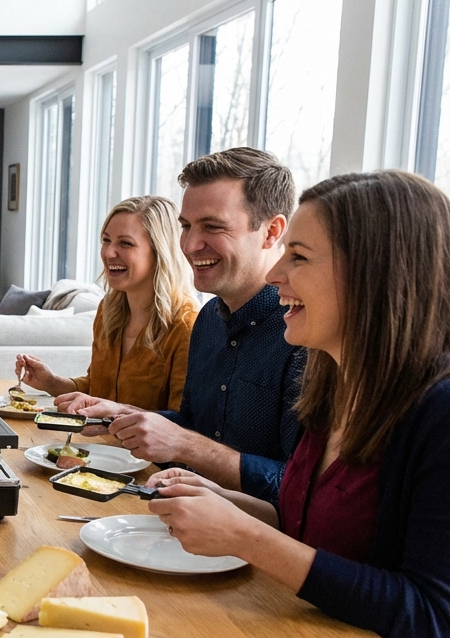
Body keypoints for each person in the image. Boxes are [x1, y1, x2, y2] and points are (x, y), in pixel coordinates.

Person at [148, 170, 450, 638]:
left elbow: (438, 623)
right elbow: (311, 528)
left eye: (298, 256)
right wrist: (224, 503)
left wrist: (244, 536)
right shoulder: (332, 382)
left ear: (376, 273)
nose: (276, 272)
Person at [58, 148, 305, 501]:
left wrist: (185, 445)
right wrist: (124, 414)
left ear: (272, 231)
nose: (189, 245)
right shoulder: (208, 320)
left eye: (212, 226)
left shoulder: (303, 335)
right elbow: (191, 423)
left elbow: (298, 489)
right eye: (186, 226)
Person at [15, 196, 198, 411]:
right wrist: (52, 383)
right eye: (106, 240)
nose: (109, 253)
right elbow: (98, 389)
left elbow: (181, 423)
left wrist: (117, 412)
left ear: (160, 252)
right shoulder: (108, 310)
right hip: (97, 443)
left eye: (125, 243)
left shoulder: (187, 326)